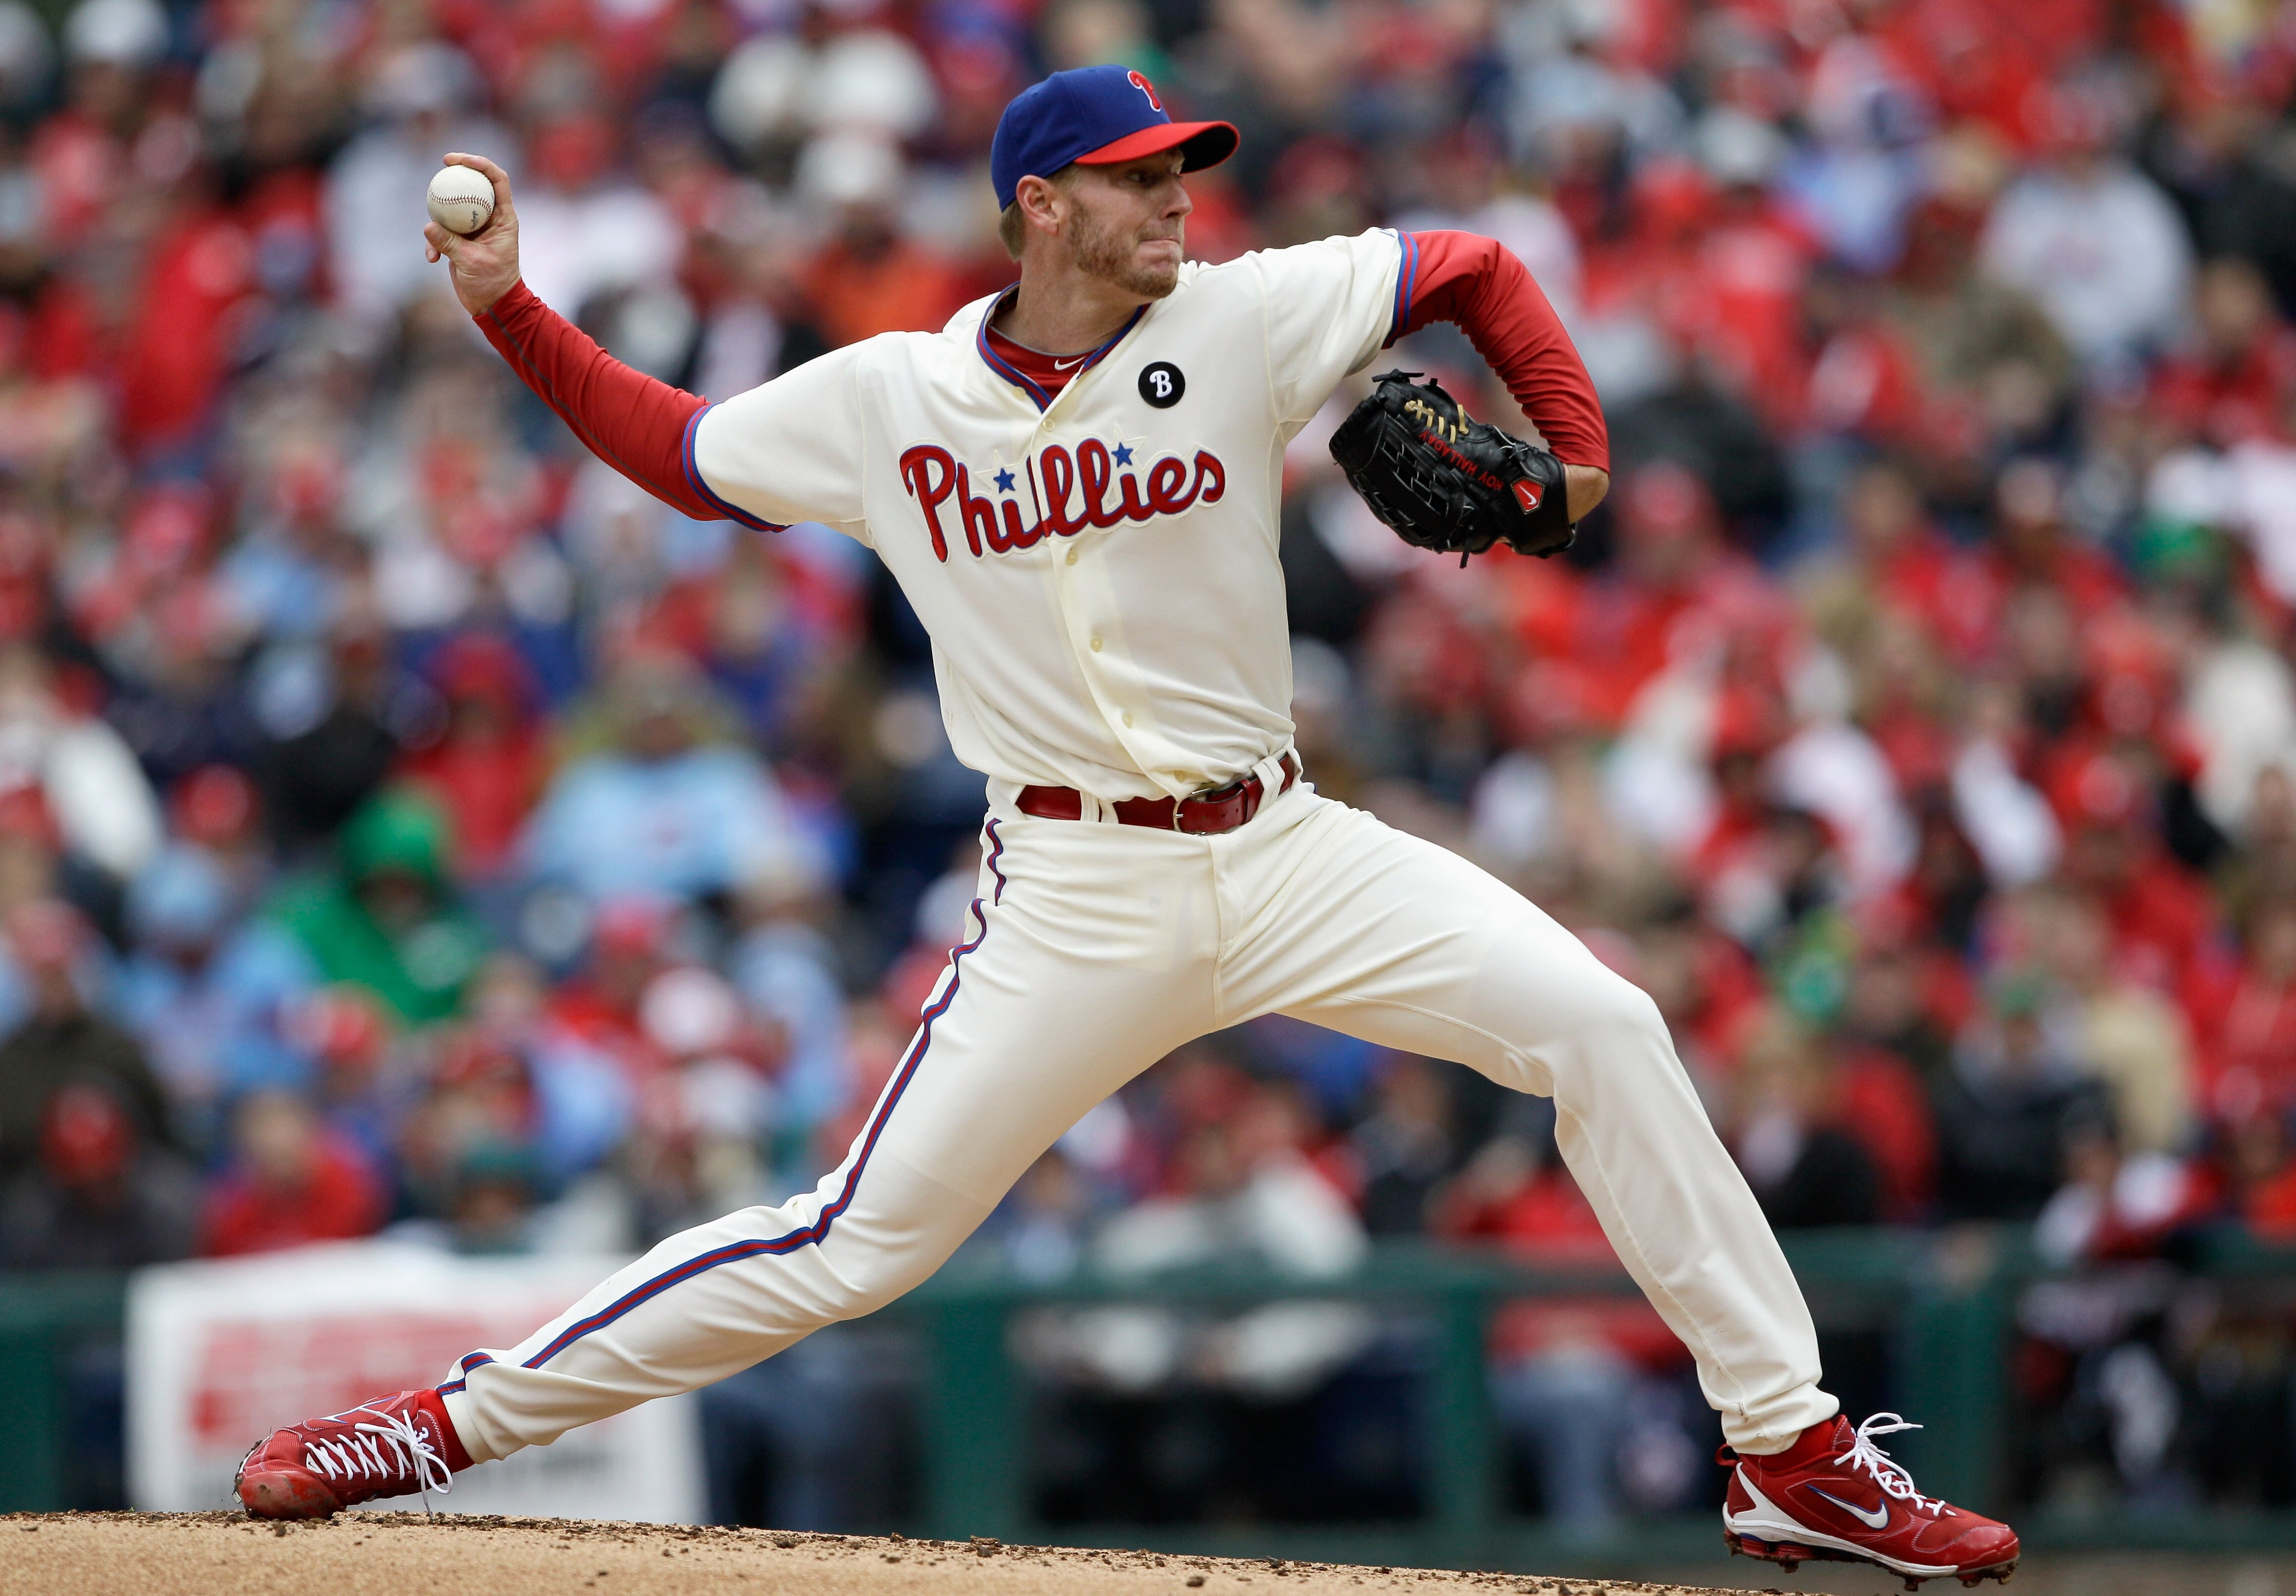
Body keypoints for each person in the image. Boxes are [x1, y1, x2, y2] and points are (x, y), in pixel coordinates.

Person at [235, 66, 2018, 1586]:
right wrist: (506, 314)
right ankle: (437, 1423)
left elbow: (1467, 263)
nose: (1177, 198)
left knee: (1603, 1025)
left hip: (1290, 847)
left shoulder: (1239, 315)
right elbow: (684, 449)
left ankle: (1783, 1444)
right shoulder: (889, 401)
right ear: (1040, 208)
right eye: (1140, 178)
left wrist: (1576, 454)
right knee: (859, 1241)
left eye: (1183, 173)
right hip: (1075, 884)